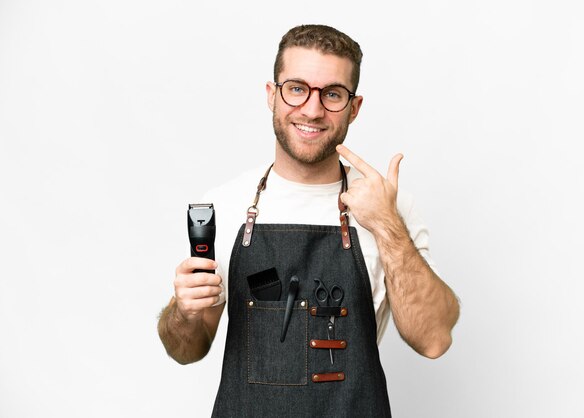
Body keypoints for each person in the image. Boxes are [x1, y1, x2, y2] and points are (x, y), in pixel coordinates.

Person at [158, 24, 459, 417]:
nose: (313, 110)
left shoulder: (387, 207)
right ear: (272, 95)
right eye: (297, 88)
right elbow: (186, 350)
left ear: (354, 107)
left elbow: (434, 339)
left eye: (332, 94)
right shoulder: (226, 204)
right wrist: (185, 310)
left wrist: (386, 225)